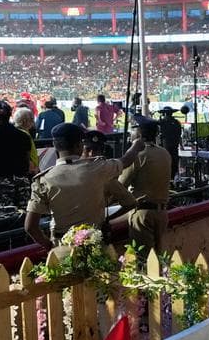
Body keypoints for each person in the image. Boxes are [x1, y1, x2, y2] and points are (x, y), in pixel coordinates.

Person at [24, 123, 145, 248]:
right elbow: (125, 161)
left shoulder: (43, 180)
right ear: (79, 146)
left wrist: (51, 247)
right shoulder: (99, 169)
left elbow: (30, 226)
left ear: (55, 146)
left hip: (63, 245)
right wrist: (136, 146)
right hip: (95, 245)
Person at [120, 121, 173, 255]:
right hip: (162, 213)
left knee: (142, 260)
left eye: (132, 131)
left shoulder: (137, 155)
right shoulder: (164, 153)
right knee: (159, 259)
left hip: (142, 213)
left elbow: (121, 185)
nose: (129, 136)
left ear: (139, 134)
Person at [156, 107, 183, 178]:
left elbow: (157, 135)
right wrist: (181, 145)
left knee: (166, 165)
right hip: (174, 147)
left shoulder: (161, 122)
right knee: (174, 164)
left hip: (165, 147)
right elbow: (179, 135)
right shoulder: (177, 122)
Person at [12, 107, 40, 174]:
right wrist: (33, 168)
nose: (33, 122)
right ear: (24, 121)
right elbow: (23, 154)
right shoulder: (23, 135)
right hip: (29, 171)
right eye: (32, 119)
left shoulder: (21, 132)